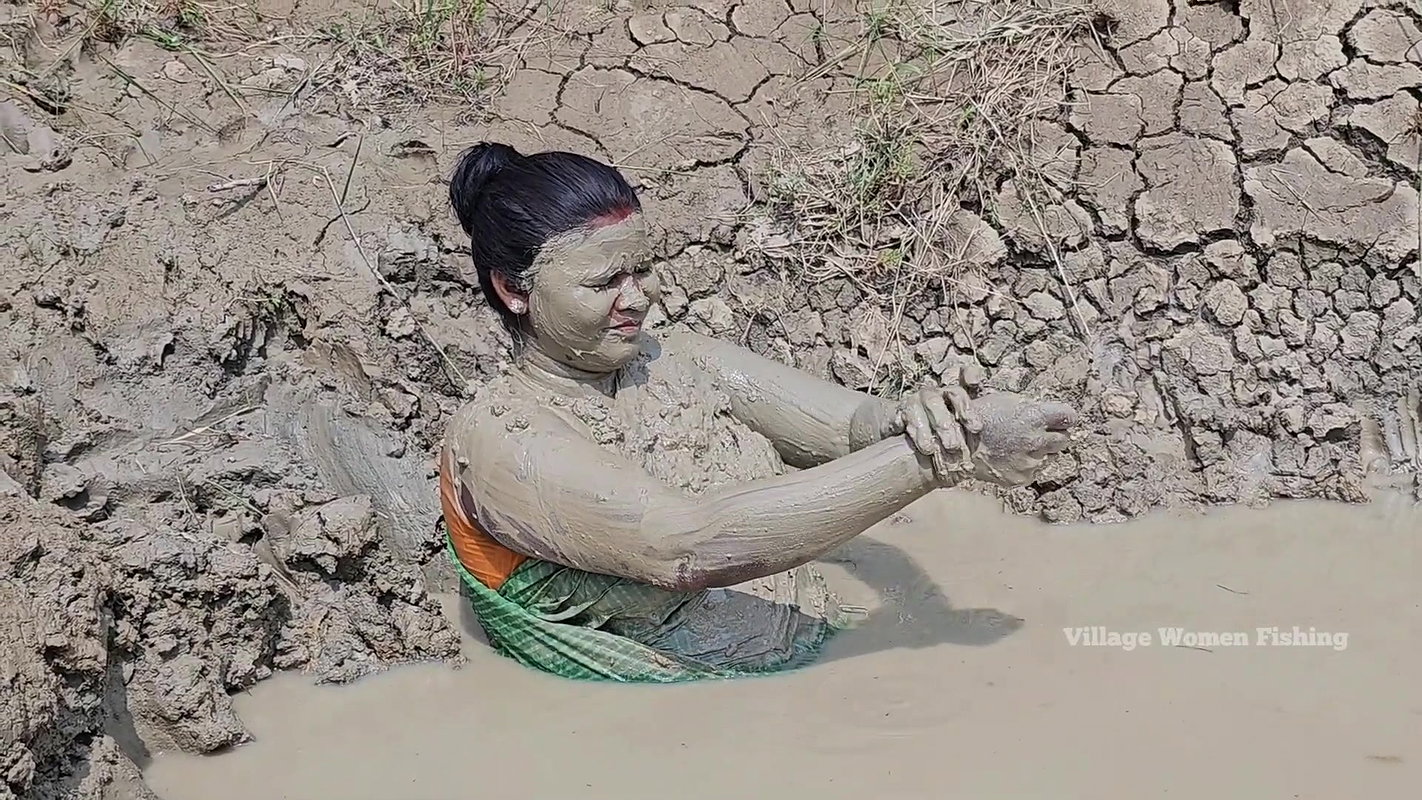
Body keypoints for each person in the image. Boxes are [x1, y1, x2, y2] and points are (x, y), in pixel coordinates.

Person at [439, 142, 1078, 682]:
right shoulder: (503, 441)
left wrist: (932, 419)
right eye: (605, 282)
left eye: (643, 269)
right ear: (512, 289)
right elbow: (686, 546)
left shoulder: (674, 358)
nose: (638, 298)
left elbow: (848, 428)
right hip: (689, 723)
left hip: (823, 653)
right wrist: (939, 457)